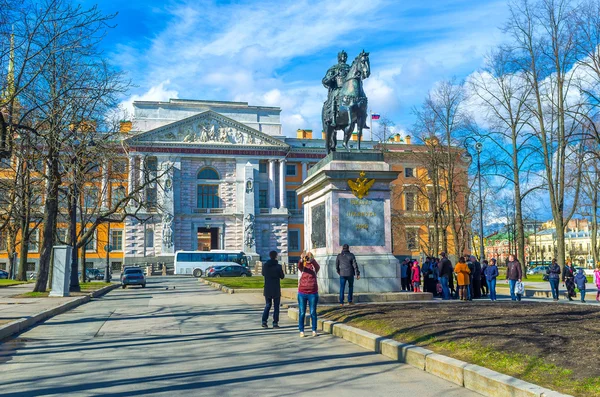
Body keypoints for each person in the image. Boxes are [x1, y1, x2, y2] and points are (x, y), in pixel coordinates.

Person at [298, 251, 320, 337]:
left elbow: (317, 266)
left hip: (313, 293)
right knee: (302, 312)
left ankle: (314, 330)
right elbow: (299, 265)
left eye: (308, 257)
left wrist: (312, 260)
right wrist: (302, 259)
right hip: (302, 292)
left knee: (313, 312)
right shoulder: (302, 267)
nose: (307, 259)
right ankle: (301, 330)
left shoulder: (314, 267)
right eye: (306, 258)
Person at [261, 250, 285, 328]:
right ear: (276, 256)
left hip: (267, 287)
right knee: (276, 306)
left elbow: (263, 274)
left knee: (268, 305)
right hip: (276, 288)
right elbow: (282, 276)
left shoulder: (265, 265)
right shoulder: (278, 266)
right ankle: (275, 322)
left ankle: (264, 321)